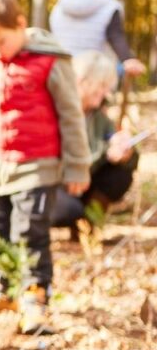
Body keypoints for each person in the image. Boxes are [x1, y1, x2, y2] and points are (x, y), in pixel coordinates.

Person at [0, 0, 91, 335]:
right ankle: (3, 288)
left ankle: (34, 297)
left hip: (37, 167)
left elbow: (71, 115)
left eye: (1, 41)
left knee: (30, 233)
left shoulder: (50, 60)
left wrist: (77, 165)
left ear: (20, 24)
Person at [51, 51, 138, 231]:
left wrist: (124, 152)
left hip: (84, 183)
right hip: (56, 183)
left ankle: (89, 223)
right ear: (83, 81)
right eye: (102, 85)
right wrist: (104, 152)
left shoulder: (98, 115)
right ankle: (75, 220)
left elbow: (118, 149)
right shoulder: (56, 110)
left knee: (120, 174)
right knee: (68, 210)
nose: (106, 91)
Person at [49, 0, 146, 79]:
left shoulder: (61, 2)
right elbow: (116, 36)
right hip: (93, 72)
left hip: (61, 68)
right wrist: (128, 59)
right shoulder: (110, 4)